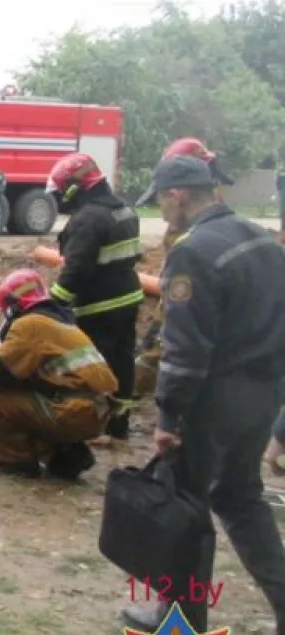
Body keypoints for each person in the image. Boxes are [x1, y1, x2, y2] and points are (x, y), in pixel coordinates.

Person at [119, 155, 285, 633]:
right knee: (241, 499)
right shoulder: (261, 239)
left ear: (178, 195)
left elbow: (185, 351)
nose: (164, 214)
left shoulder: (193, 252)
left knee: (185, 510)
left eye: (163, 203)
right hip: (263, 395)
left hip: (215, 400)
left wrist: (169, 419)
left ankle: (179, 618)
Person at [0, 268, 119, 479]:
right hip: (95, 411)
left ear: (12, 305)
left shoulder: (31, 325)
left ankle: (15, 464)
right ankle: (66, 456)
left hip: (74, 411)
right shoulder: (61, 321)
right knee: (28, 393)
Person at [45, 153, 143, 442]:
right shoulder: (125, 209)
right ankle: (119, 423)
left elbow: (76, 269)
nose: (61, 196)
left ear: (75, 187)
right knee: (123, 361)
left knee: (91, 366)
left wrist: (52, 304)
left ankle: (89, 423)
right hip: (128, 298)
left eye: (63, 190)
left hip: (97, 307)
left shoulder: (88, 219)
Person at [134, 138, 235, 396]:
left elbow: (181, 296)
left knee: (159, 354)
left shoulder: (188, 232)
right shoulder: (220, 213)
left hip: (193, 312)